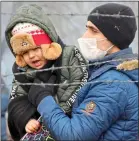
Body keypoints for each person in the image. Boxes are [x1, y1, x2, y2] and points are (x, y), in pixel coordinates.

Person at [23, 3, 138, 141]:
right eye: (86, 29)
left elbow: (73, 136)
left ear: (114, 37)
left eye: (93, 31)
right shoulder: (104, 71)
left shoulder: (113, 84)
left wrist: (42, 98)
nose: (85, 36)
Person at [5, 4, 88, 140]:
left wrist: (50, 117)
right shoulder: (21, 72)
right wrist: (27, 120)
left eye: (36, 48)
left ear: (49, 44)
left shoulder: (70, 56)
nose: (31, 56)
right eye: (25, 52)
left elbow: (80, 85)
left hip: (71, 125)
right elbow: (16, 103)